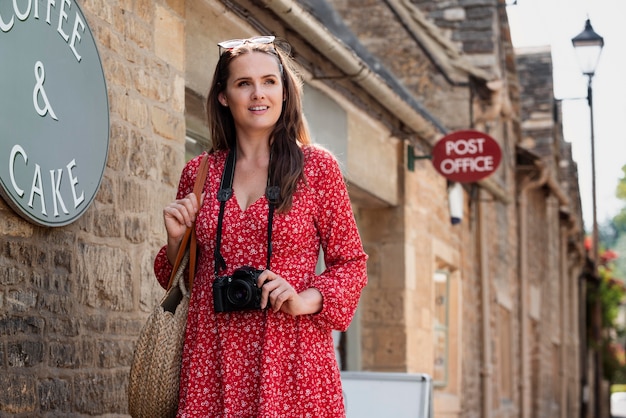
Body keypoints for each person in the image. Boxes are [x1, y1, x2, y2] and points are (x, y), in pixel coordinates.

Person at [154, 35, 368, 417]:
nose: (259, 94)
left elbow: (350, 263)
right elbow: (179, 275)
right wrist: (175, 241)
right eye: (244, 83)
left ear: (285, 92)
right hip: (210, 360)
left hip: (291, 358)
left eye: (270, 81)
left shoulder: (316, 168)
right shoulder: (199, 172)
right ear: (223, 96)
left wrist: (304, 300)